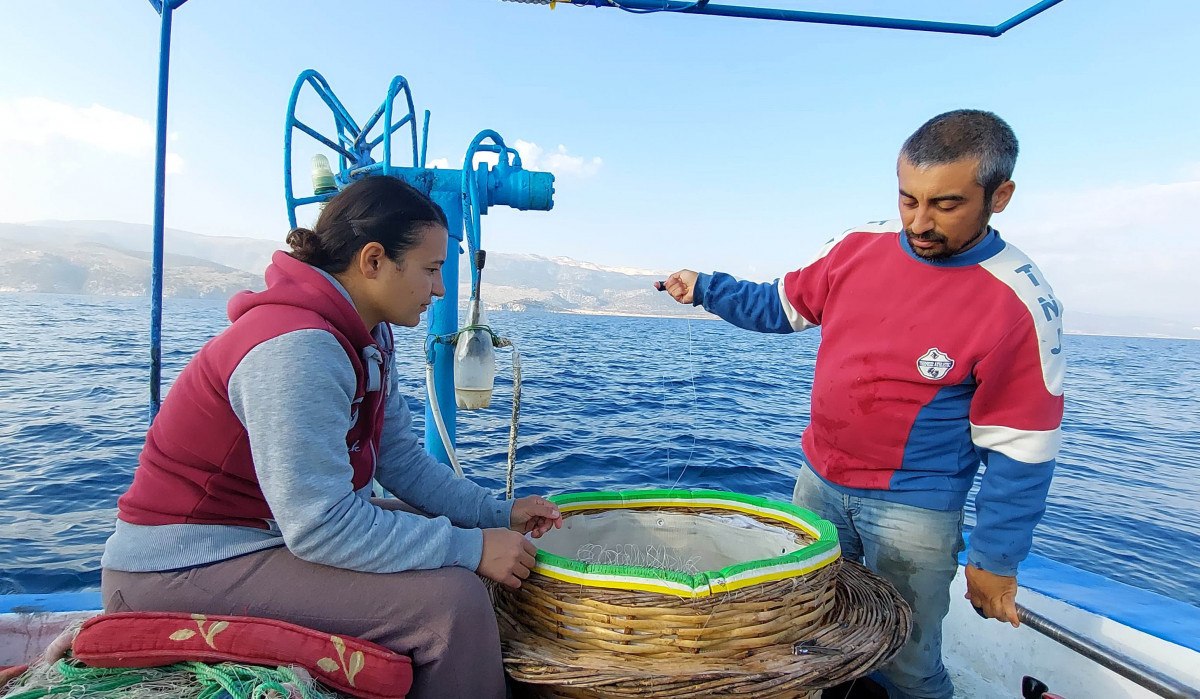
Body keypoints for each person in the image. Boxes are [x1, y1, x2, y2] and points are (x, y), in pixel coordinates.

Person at [100, 175, 562, 699]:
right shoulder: (297, 349)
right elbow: (320, 526)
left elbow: (401, 460)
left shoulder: (368, 335)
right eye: (431, 269)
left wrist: (495, 514)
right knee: (452, 604)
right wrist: (471, 548)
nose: (438, 289)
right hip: (176, 568)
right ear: (374, 261)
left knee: (457, 540)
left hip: (265, 535)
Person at [661, 110, 1063, 699]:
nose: (919, 223)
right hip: (818, 481)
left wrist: (995, 559)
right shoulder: (856, 248)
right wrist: (705, 288)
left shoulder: (1019, 300)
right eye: (908, 199)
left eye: (946, 205)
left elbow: (1022, 447)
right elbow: (781, 305)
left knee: (907, 662)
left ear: (998, 197)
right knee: (809, 629)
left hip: (915, 509)